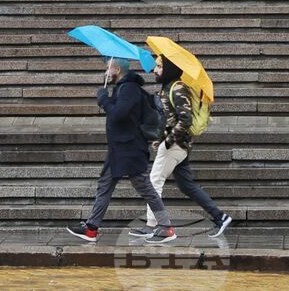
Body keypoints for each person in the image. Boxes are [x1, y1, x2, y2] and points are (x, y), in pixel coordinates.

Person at [67, 57, 177, 244]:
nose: (106, 73)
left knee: (144, 186)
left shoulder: (130, 89)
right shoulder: (123, 88)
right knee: (105, 185)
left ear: (117, 69)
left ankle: (166, 227)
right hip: (119, 148)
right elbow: (120, 112)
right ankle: (92, 228)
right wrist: (108, 99)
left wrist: (103, 99)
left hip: (130, 149)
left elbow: (119, 114)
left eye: (108, 69)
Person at [131, 55, 232, 238]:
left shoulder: (178, 88)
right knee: (186, 185)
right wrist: (159, 138)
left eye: (160, 67)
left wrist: (168, 141)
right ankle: (220, 217)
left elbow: (185, 120)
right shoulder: (168, 88)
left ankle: (154, 225)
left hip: (175, 145)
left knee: (154, 182)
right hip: (177, 144)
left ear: (169, 68)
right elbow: (169, 119)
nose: (155, 70)